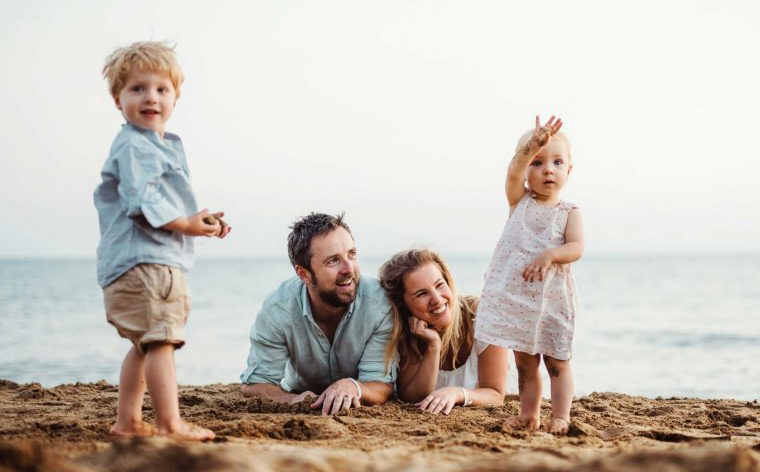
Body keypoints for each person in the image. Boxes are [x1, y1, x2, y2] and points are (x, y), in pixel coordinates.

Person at [95, 41, 230, 441]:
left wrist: (195, 218)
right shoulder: (135, 144)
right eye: (137, 88)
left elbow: (159, 198)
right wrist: (186, 224)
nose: (150, 97)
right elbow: (142, 201)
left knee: (145, 343)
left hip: (144, 261)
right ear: (117, 99)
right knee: (161, 343)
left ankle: (127, 422)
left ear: (175, 97)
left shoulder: (155, 145)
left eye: (160, 89)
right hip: (147, 264)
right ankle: (170, 424)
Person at [474, 115, 584, 435]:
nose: (548, 169)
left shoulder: (569, 213)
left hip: (552, 301)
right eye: (537, 162)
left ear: (568, 171)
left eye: (557, 161)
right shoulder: (518, 201)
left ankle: (560, 415)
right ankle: (528, 415)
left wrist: (550, 254)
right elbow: (512, 172)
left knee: (557, 362)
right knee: (525, 364)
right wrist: (527, 148)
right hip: (519, 301)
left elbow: (576, 247)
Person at [241, 213, 394, 415]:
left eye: (352, 254)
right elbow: (255, 385)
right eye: (333, 261)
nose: (349, 269)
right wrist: (293, 399)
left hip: (358, 398)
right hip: (300, 391)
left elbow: (380, 384)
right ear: (304, 274)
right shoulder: (277, 310)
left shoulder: (379, 305)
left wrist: (352, 386)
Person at [379, 248, 512, 415]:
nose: (437, 299)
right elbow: (413, 398)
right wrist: (433, 346)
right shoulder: (407, 332)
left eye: (439, 285)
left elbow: (496, 395)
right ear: (403, 306)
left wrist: (456, 393)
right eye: (421, 294)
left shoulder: (482, 315)